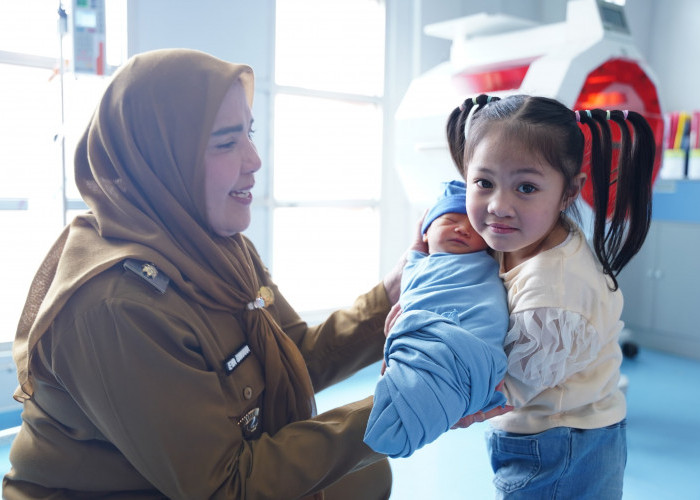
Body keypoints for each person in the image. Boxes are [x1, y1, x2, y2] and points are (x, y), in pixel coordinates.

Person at [3, 48, 417, 500]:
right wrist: (399, 408)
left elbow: (289, 358)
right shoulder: (116, 303)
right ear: (160, 159)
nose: (254, 160)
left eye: (249, 134)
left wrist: (392, 296)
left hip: (185, 477)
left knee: (368, 476)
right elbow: (224, 488)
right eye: (226, 142)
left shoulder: (211, 244)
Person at [445, 94, 655, 499]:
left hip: (565, 446)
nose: (499, 206)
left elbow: (504, 387)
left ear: (569, 192)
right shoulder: (512, 233)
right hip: (535, 430)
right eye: (484, 182)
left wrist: (432, 394)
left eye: (526, 187)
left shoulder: (554, 294)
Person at [363, 180, 510, 459]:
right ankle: (412, 405)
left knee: (422, 393)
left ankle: (420, 409)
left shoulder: (489, 260)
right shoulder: (417, 263)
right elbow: (415, 252)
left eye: (473, 227)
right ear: (427, 233)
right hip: (422, 337)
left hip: (472, 342)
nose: (461, 228)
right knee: (404, 383)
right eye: (450, 220)